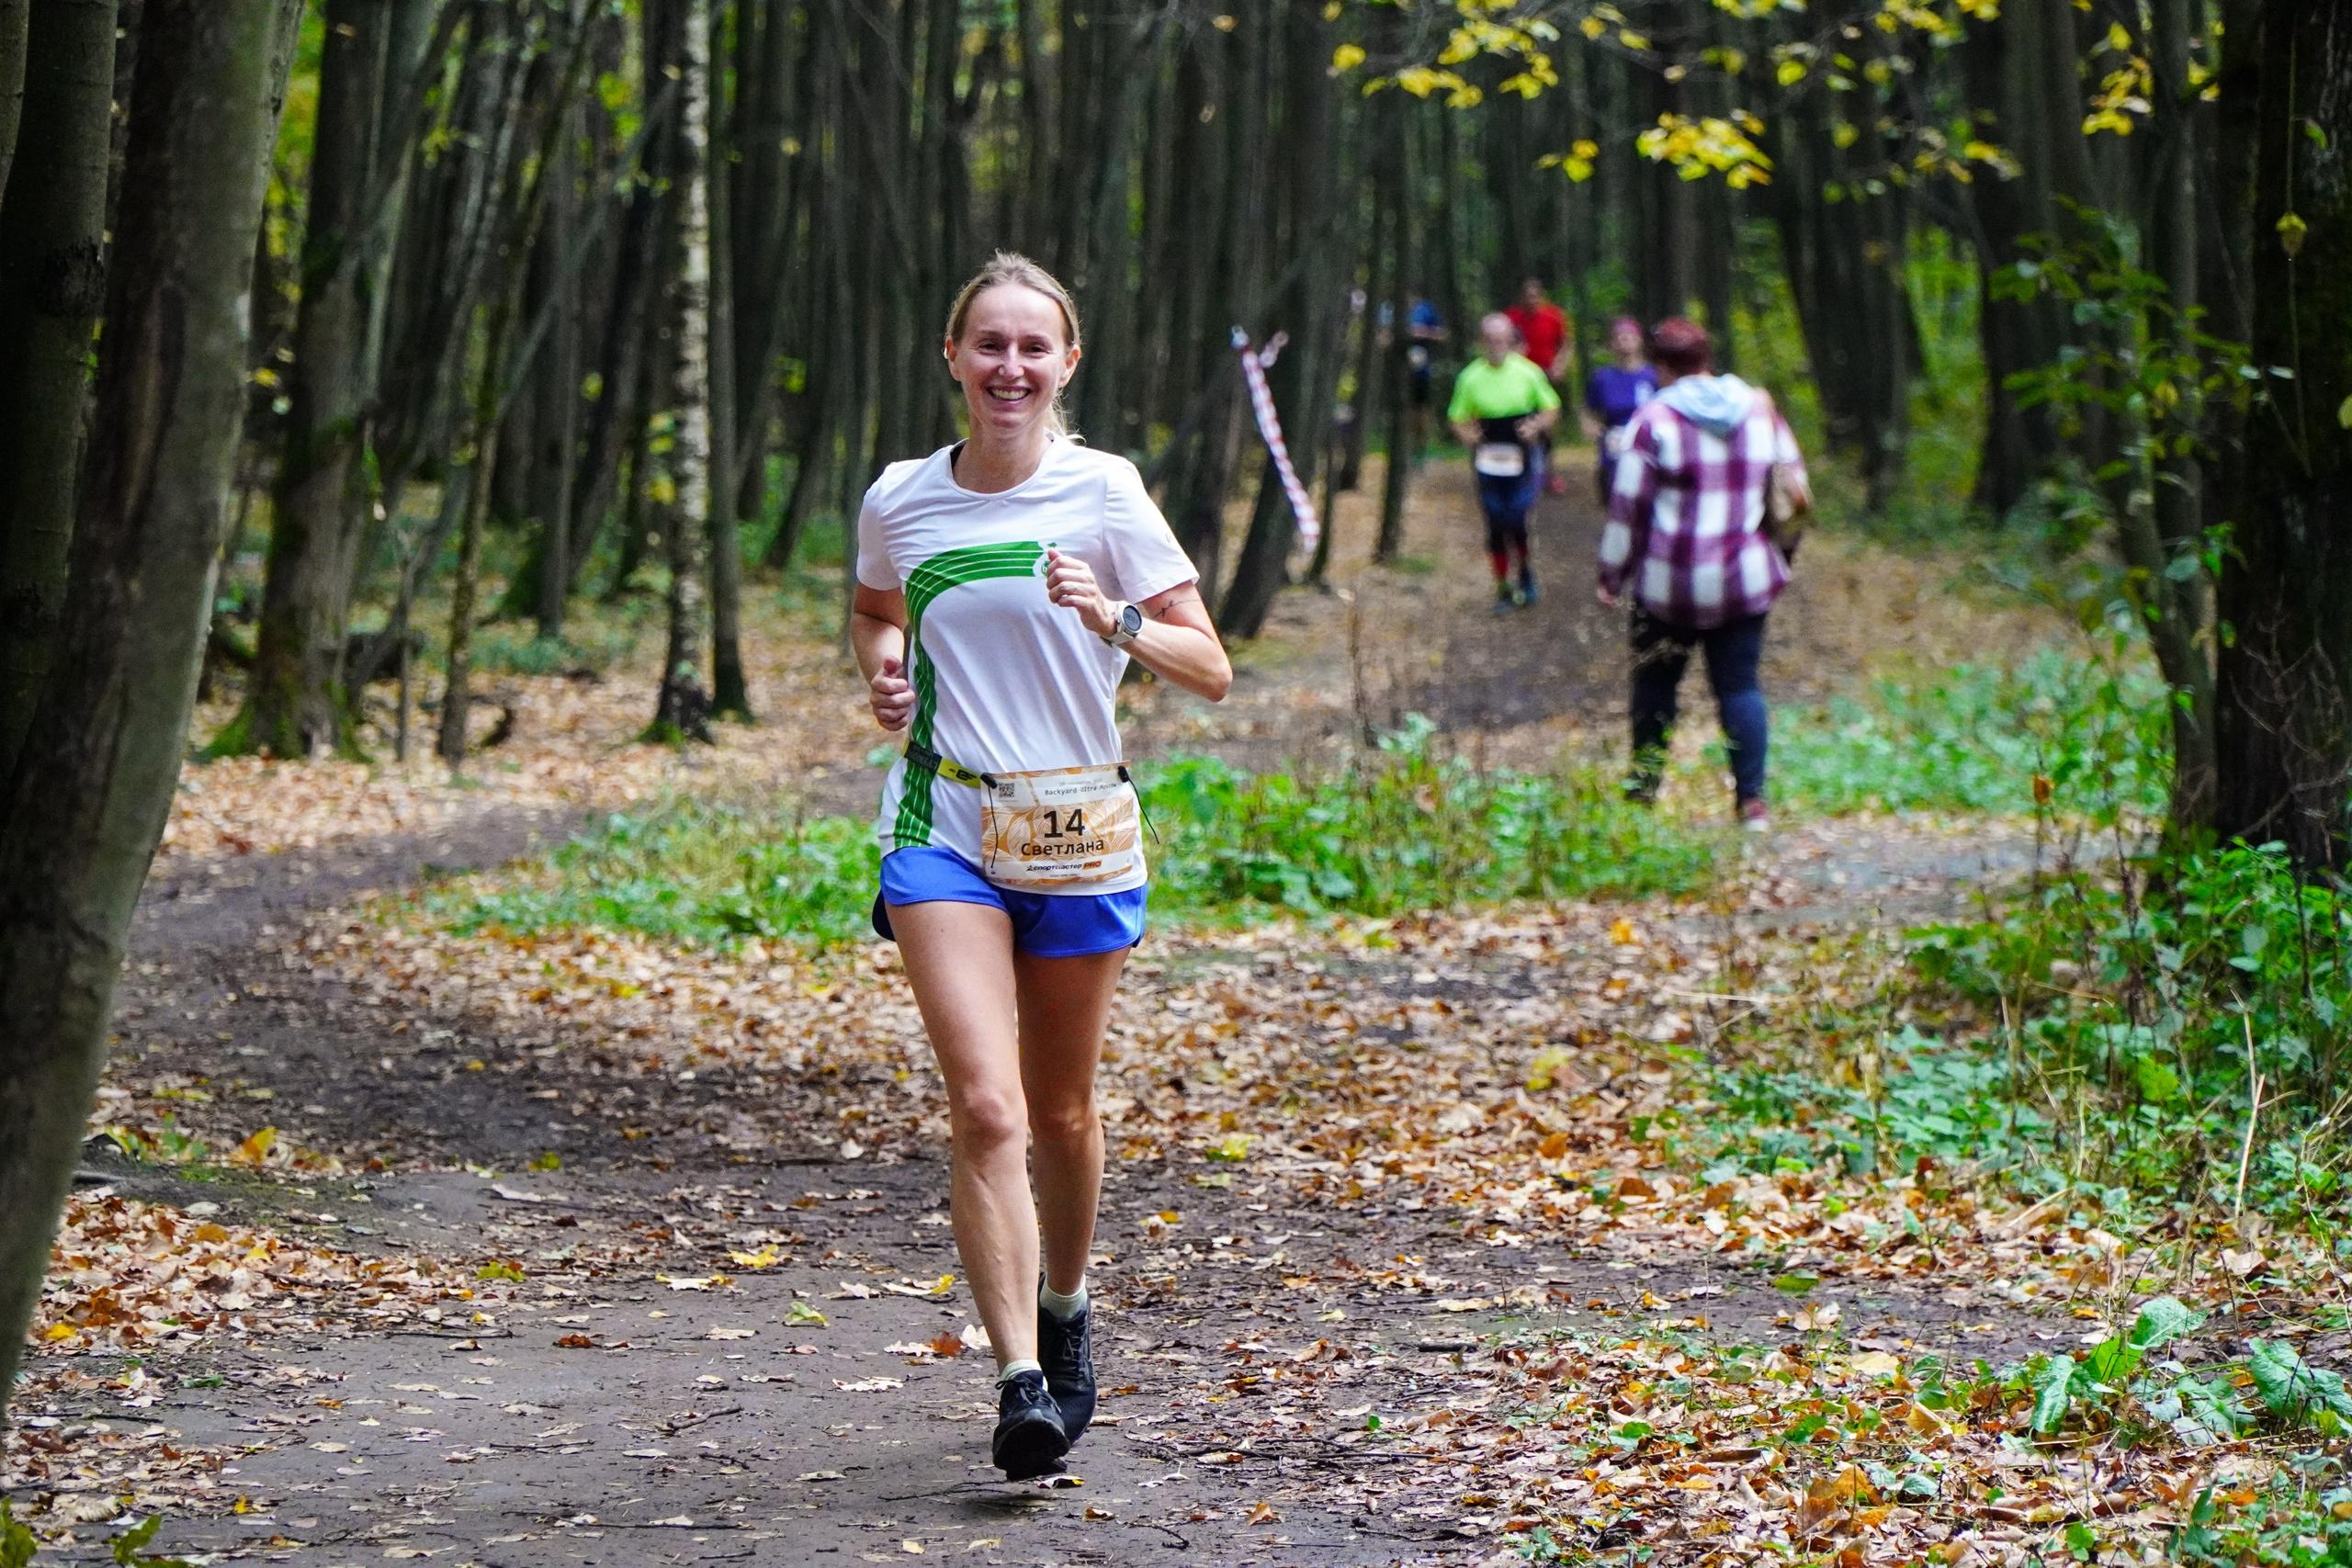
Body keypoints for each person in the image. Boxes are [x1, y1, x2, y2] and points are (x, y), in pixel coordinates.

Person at [851, 253, 1234, 1482]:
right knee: (987, 1105)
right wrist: (885, 671)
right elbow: (874, 610)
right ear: (952, 357)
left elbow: (1210, 665)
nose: (1008, 366)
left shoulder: (1105, 491)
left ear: (1067, 363)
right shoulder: (902, 497)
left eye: (1032, 347)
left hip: (1075, 826)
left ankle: (1065, 1307)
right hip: (943, 823)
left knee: (1061, 1110)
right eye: (989, 344)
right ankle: (1019, 1374)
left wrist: (1114, 616)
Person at [1596, 317, 1805, 830]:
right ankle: (1752, 803)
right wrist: (1783, 554)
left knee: (1655, 686)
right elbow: (1795, 489)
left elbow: (1627, 507)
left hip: (1669, 587)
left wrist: (1611, 574)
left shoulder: (1653, 420)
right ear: (1707, 358)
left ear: (1661, 366)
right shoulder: (1759, 409)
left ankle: (1642, 799)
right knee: (1739, 687)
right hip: (1742, 581)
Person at [1448, 311, 1562, 611]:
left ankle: (1525, 574)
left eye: (1502, 338)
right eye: (1490, 339)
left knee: (1517, 519)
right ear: (1482, 341)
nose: (1496, 344)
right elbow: (1456, 416)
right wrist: (1467, 435)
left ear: (1511, 339)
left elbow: (1551, 407)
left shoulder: (1528, 372)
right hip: (1488, 456)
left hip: (1521, 454)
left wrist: (1536, 426)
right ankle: (1503, 588)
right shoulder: (1470, 377)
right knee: (1496, 522)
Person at [1504, 278, 1575, 495]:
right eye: (1528, 296)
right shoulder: (1511, 318)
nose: (1532, 300)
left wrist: (1560, 366)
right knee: (1520, 423)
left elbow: (1566, 344)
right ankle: (1519, 473)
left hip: (1545, 376)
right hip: (1517, 377)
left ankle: (1548, 474)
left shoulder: (1553, 316)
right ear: (1521, 297)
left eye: (1536, 296)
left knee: (1546, 426)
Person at [1580, 317, 1658, 506]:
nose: (1625, 341)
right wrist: (1589, 425)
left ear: (1640, 341)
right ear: (1611, 344)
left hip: (1647, 448)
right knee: (1614, 502)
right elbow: (1588, 409)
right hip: (1613, 449)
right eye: (1619, 337)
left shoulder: (1653, 376)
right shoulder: (1602, 378)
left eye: (1630, 336)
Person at [1404, 292, 1448, 467]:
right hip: (1398, 372)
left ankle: (1420, 450)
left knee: (1421, 412)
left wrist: (1423, 333)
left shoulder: (1427, 309)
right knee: (1405, 411)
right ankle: (1405, 450)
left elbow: (1443, 334)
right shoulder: (1389, 309)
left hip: (1422, 371)